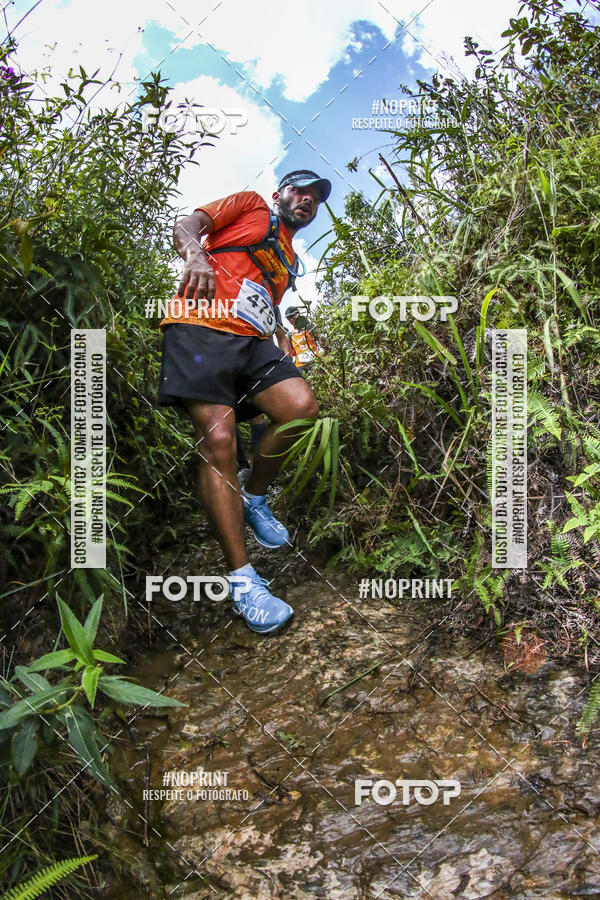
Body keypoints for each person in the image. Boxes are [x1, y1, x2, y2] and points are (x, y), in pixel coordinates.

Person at [158, 170, 331, 635]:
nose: (307, 201)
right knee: (219, 442)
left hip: (253, 342)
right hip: (202, 328)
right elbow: (186, 224)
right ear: (280, 195)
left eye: (315, 199)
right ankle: (243, 582)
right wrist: (195, 253)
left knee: (301, 410)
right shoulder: (251, 204)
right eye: (299, 191)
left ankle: (253, 496)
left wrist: (276, 331)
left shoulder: (291, 256)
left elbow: (261, 296)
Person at [286, 306, 324, 370]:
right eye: (288, 318)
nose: (291, 319)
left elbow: (321, 342)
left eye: (293, 316)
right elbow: (290, 354)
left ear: (298, 314)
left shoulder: (310, 327)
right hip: (300, 366)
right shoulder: (289, 335)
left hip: (315, 362)